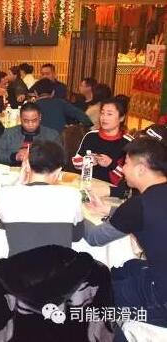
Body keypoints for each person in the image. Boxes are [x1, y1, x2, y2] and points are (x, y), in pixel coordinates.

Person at [83, 136, 167, 339]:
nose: (123, 169)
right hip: (158, 275)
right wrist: (110, 210)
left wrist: (75, 212)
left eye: (126, 164)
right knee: (126, 267)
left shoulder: (139, 204)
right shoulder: (151, 199)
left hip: (161, 299)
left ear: (141, 169)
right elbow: (148, 217)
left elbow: (94, 238)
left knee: (90, 299)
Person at [0, 140, 83, 257]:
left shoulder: (5, 195)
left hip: (18, 267)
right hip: (60, 267)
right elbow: (77, 236)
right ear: (58, 171)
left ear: (26, 166)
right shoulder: (72, 195)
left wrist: (19, 182)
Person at [73, 98, 133, 185]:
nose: (104, 118)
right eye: (102, 113)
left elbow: (132, 176)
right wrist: (89, 161)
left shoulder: (129, 142)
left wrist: (111, 164)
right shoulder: (91, 136)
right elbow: (75, 163)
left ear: (121, 118)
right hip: (88, 184)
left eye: (109, 114)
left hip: (113, 189)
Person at [0, 102, 62, 166]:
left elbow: (59, 157)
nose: (30, 124)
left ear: (40, 117)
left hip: (42, 171)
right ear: (20, 118)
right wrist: (15, 156)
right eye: (26, 121)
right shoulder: (9, 133)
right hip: (14, 170)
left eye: (34, 120)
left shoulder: (52, 135)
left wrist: (38, 157)